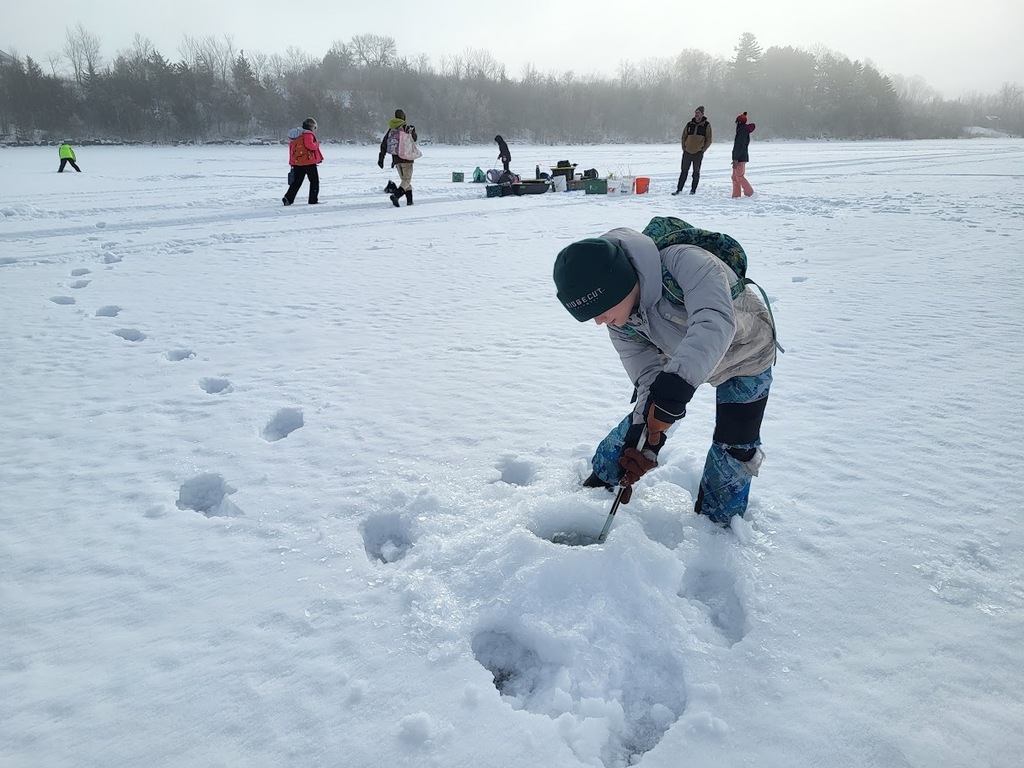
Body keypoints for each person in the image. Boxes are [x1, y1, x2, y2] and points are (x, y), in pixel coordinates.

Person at [552, 226, 777, 528]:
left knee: (736, 443)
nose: (598, 321)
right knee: (641, 424)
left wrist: (675, 390)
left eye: (600, 310)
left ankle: (717, 529)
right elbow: (648, 376)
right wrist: (645, 436)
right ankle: (597, 488)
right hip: (685, 356)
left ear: (619, 284)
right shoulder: (621, 321)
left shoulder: (687, 262)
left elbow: (714, 323)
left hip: (748, 353)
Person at [378, 109, 418, 207]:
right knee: (406, 181)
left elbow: (384, 144)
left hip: (397, 160)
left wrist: (381, 158)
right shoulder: (406, 128)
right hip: (407, 159)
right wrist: (413, 130)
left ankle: (410, 202)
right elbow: (415, 138)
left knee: (405, 181)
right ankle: (396, 196)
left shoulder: (391, 129)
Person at [283, 117, 323, 205]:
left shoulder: (296, 135)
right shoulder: (308, 134)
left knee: (297, 181)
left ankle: (288, 198)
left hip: (298, 163)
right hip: (309, 162)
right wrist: (316, 144)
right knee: (314, 181)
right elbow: (310, 146)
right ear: (312, 126)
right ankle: (313, 200)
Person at [673, 106, 712, 195]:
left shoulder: (706, 125)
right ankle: (679, 189)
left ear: (702, 114)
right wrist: (684, 148)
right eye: (696, 113)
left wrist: (703, 150)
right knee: (683, 171)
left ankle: (693, 190)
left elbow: (709, 139)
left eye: (698, 113)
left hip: (698, 153)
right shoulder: (689, 124)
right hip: (687, 152)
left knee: (696, 172)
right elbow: (684, 136)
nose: (696, 114)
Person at [731, 112, 756, 198]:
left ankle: (750, 193)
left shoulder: (742, 131)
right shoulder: (742, 131)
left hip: (740, 158)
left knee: (739, 176)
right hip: (739, 157)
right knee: (734, 177)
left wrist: (735, 158)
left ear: (739, 122)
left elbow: (739, 145)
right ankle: (736, 195)